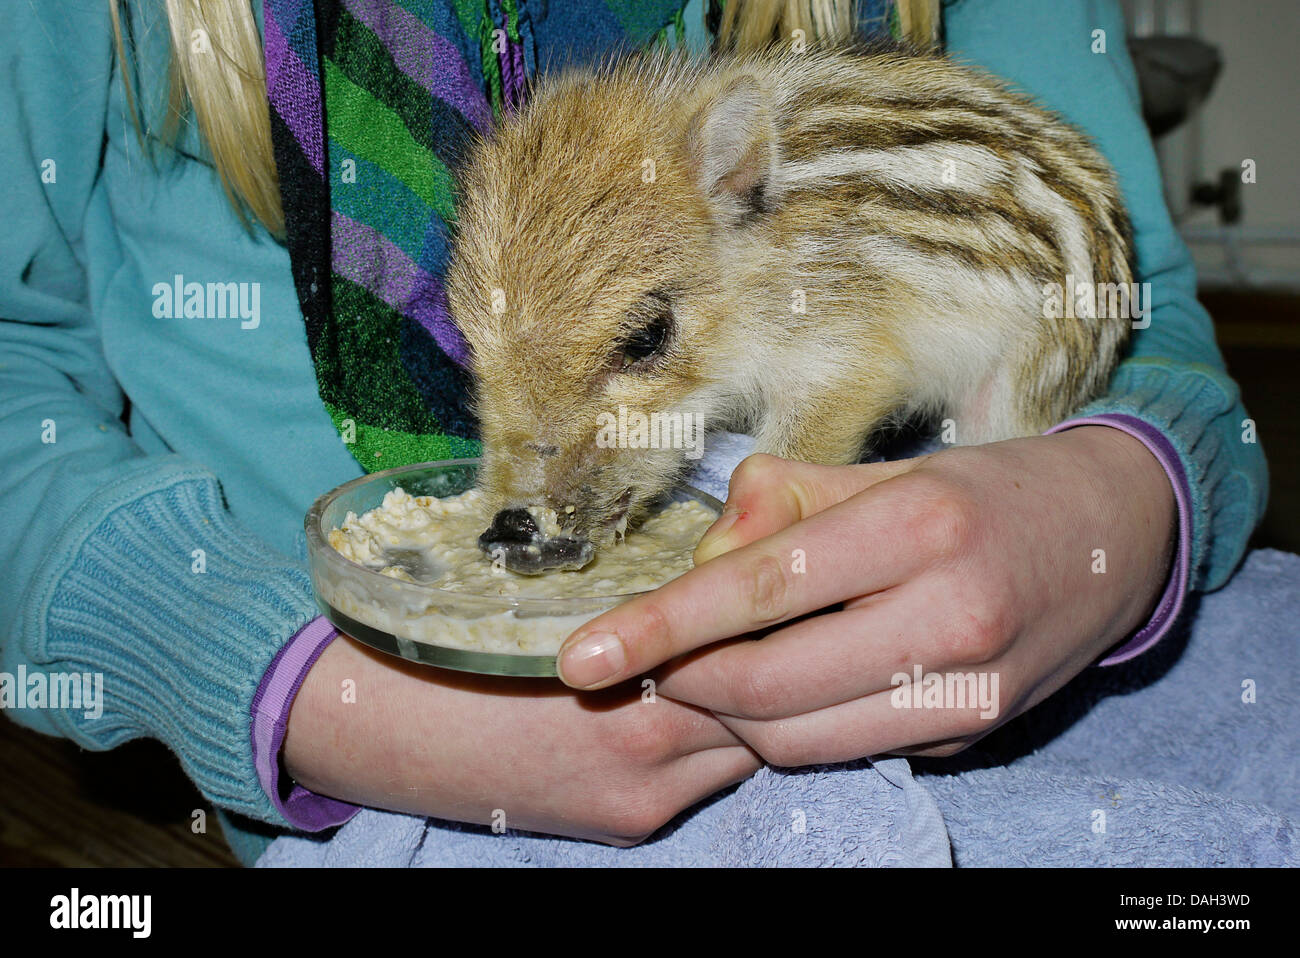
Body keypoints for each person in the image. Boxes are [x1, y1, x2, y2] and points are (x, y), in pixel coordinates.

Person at [0, 0, 1267, 867]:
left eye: (644, 341)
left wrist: (1112, 505)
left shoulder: (791, 252)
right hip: (387, 769)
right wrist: (292, 689)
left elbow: (1124, 288)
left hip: (1009, 665)